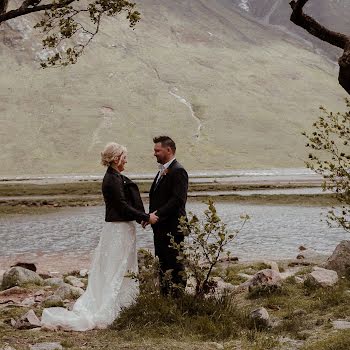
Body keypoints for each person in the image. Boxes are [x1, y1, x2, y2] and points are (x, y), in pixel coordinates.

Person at [41, 142, 158, 331]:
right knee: (115, 267)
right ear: (116, 159)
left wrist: (140, 217)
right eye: (124, 157)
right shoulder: (111, 180)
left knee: (124, 265)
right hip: (117, 230)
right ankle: (111, 307)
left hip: (123, 229)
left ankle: (124, 304)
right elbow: (121, 206)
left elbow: (127, 204)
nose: (126, 160)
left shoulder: (116, 177)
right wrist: (145, 217)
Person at [146, 136, 189, 296]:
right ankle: (165, 297)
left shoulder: (179, 171)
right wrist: (148, 217)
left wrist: (156, 214)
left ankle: (178, 299)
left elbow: (177, 200)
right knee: (163, 264)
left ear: (168, 150)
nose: (154, 153)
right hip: (161, 228)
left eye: (157, 150)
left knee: (175, 265)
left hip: (173, 228)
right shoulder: (163, 170)